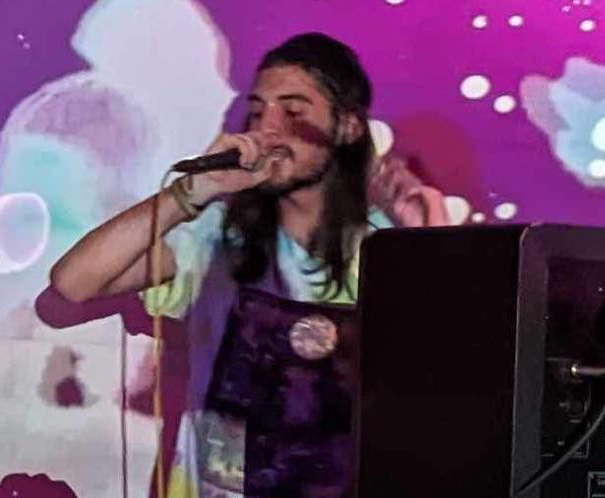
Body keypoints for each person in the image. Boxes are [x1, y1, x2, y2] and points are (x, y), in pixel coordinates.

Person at [49, 33, 447, 498]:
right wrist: (192, 192)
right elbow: (74, 282)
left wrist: (431, 247)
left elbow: (443, 382)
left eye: (293, 112)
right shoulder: (217, 236)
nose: (268, 129)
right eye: (258, 112)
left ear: (347, 128)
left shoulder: (385, 248)